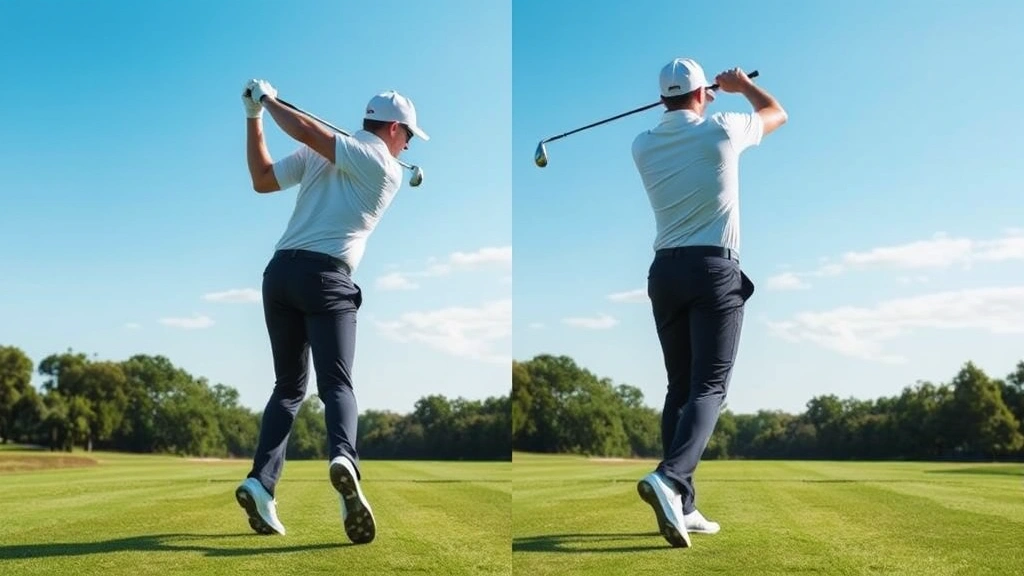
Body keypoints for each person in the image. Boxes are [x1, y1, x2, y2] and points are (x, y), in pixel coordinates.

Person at [233, 79, 429, 543]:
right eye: (409, 137)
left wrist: (254, 115)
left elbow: (262, 179)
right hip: (326, 280)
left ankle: (261, 482)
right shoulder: (383, 163)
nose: (407, 146)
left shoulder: (346, 155)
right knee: (337, 383)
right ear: (395, 130)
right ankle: (345, 459)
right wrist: (266, 106)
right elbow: (300, 137)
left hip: (278, 275)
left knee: (288, 387)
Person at [631, 58, 787, 548]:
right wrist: (740, 87)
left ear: (662, 98)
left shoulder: (643, 144)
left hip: (665, 273)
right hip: (713, 270)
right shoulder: (723, 128)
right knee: (710, 387)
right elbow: (777, 112)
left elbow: (680, 117)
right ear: (703, 94)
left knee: (680, 388)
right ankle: (672, 478)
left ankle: (687, 504)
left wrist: (697, 98)